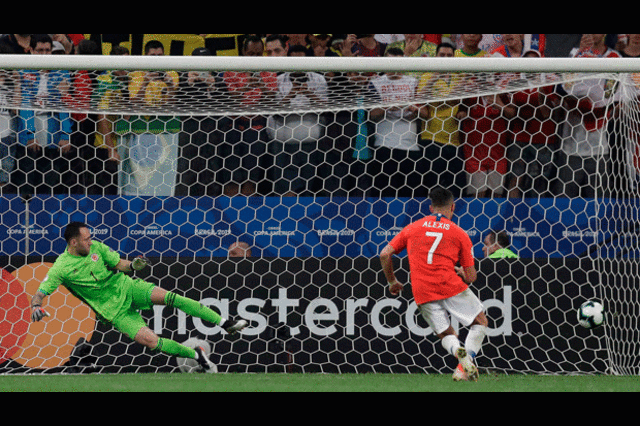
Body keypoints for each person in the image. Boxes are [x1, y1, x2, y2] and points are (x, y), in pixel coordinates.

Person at [30, 222, 248, 373]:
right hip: (114, 311)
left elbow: (120, 264)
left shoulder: (97, 248)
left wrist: (133, 265)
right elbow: (40, 293)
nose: (90, 241)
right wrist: (36, 306)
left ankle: (225, 323)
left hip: (127, 287)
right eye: (86, 239)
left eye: (90, 237)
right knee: (152, 341)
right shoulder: (61, 267)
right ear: (74, 243)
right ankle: (197, 354)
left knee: (173, 298)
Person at [379, 187, 488, 382]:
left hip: (422, 289)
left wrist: (392, 281)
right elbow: (471, 277)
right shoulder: (460, 233)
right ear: (453, 207)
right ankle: (468, 359)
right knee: (480, 322)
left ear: (430, 208)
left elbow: (385, 254)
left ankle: (460, 358)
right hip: (450, 284)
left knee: (446, 332)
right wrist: (463, 272)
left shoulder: (412, 227)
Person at [554, 34, 621, 198]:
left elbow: (611, 96)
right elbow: (563, 88)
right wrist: (579, 56)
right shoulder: (574, 54)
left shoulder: (615, 58)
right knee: (565, 203)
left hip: (599, 147)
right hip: (571, 146)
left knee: (598, 203)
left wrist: (590, 105)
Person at [367, 48, 426, 198]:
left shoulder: (414, 82)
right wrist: (388, 106)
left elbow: (426, 114)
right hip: (384, 145)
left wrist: (415, 109)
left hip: (410, 147)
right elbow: (370, 115)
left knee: (410, 196)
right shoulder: (375, 83)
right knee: (383, 195)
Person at [419, 43, 466, 198]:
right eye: (442, 55)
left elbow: (464, 101)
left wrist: (463, 111)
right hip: (431, 139)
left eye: (449, 56)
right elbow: (420, 99)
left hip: (454, 140)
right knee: (432, 187)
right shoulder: (426, 76)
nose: (445, 58)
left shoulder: (460, 78)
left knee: (455, 188)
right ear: (436, 57)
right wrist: (434, 78)